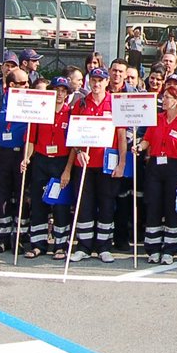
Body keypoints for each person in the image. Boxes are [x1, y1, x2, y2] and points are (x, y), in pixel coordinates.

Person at [68, 71, 125, 264]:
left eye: (100, 80)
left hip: (107, 164)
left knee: (107, 204)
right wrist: (78, 151)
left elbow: (121, 136)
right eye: (93, 80)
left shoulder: (115, 103)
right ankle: (83, 246)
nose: (96, 84)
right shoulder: (80, 104)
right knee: (84, 205)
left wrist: (122, 163)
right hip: (84, 163)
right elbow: (72, 134)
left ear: (107, 82)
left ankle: (103, 246)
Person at [139, 76, 177, 264]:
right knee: (153, 205)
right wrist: (139, 147)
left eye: (168, 98)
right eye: (163, 97)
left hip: (174, 166)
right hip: (155, 164)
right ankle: (152, 248)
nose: (164, 101)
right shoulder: (156, 119)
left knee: (171, 207)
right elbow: (147, 139)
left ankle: (170, 248)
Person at [20, 75, 74, 258]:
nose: (59, 94)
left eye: (63, 91)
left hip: (61, 161)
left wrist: (67, 169)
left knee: (60, 205)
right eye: (56, 90)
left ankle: (60, 245)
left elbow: (74, 144)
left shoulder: (71, 113)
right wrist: (26, 158)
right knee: (39, 203)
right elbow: (31, 140)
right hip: (41, 160)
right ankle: (38, 244)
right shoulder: (41, 112)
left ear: (67, 94)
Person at [0, 65, 30, 254]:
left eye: (27, 82)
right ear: (11, 85)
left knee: (22, 196)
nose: (27, 86)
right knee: (1, 196)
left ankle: (20, 236)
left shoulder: (30, 102)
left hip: (22, 155)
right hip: (2, 154)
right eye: (22, 83)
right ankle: (3, 238)